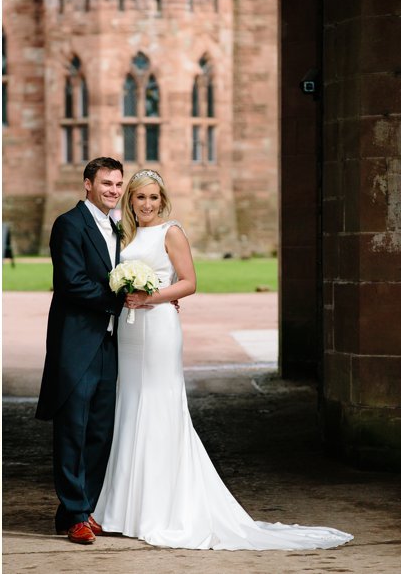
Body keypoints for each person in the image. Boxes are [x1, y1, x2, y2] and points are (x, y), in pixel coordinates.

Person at [91, 169, 353, 550]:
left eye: (153, 197)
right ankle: (124, 509)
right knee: (131, 407)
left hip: (158, 328)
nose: (146, 204)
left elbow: (189, 282)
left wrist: (152, 297)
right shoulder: (124, 235)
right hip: (130, 332)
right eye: (139, 197)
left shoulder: (172, 232)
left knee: (161, 406)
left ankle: (162, 510)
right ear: (130, 200)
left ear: (162, 200)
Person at [35, 157, 125, 544]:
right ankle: (75, 516)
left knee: (101, 431)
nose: (113, 190)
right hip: (76, 341)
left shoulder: (118, 228)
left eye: (118, 184)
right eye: (106, 183)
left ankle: (80, 508)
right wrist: (120, 300)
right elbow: (70, 282)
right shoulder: (69, 224)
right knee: (73, 429)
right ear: (87, 184)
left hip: (109, 341)